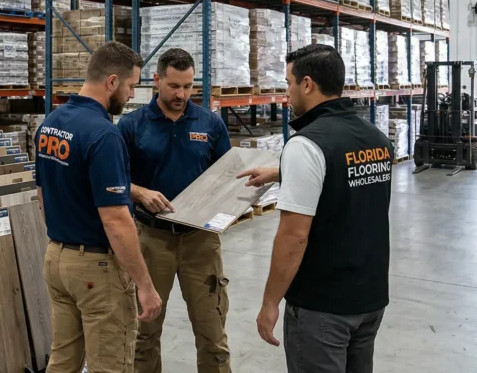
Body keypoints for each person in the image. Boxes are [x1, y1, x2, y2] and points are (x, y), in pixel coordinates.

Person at [238, 43, 393, 373]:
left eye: (288, 83)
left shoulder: (307, 144)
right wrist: (282, 171)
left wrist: (270, 302)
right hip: (370, 298)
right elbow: (342, 176)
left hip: (323, 306)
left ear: (307, 84)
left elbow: (294, 236)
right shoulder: (376, 139)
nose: (286, 93)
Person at [35, 41, 163, 373]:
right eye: (131, 86)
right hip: (95, 269)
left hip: (57, 258)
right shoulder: (104, 135)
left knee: (63, 360)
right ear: (112, 82)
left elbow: (43, 193)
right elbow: (116, 220)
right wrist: (145, 286)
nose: (132, 94)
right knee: (110, 365)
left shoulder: (51, 122)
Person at [116, 48, 234, 373]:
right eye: (173, 86)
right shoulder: (132, 126)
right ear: (157, 80)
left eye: (187, 86)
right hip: (150, 239)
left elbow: (228, 176)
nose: (181, 94)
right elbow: (112, 181)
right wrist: (139, 192)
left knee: (213, 334)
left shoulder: (210, 124)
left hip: (200, 240)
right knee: (144, 335)